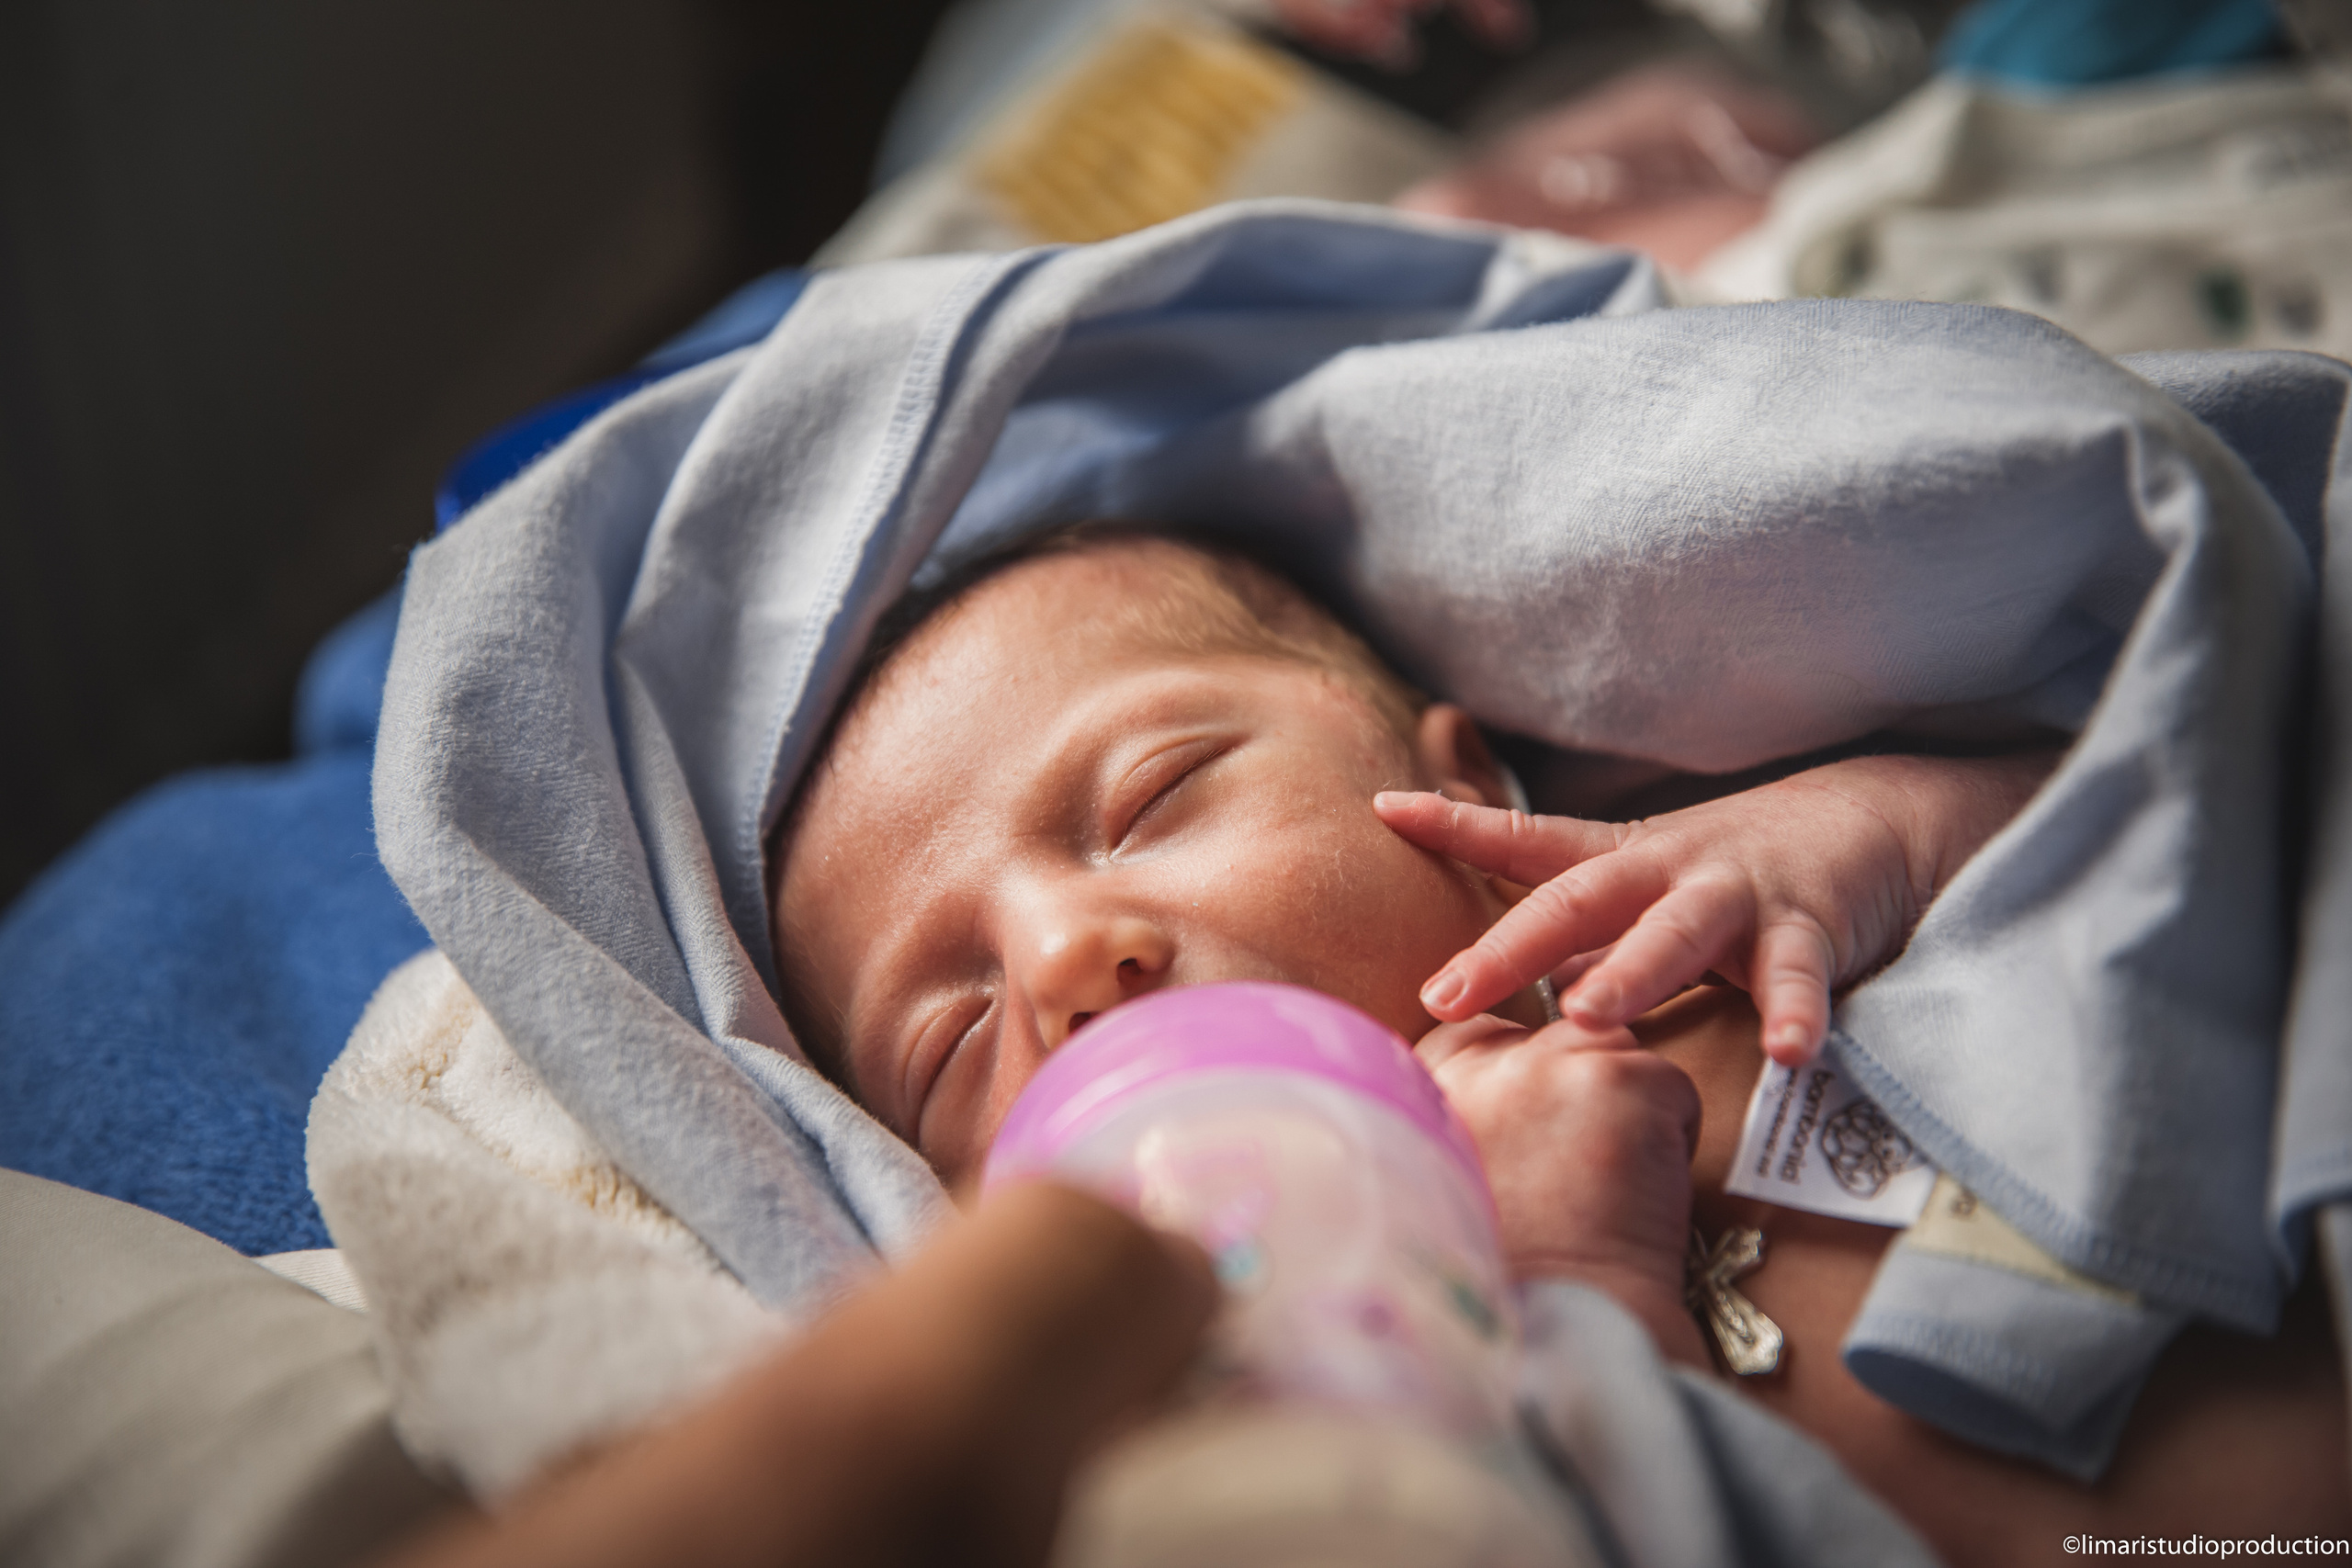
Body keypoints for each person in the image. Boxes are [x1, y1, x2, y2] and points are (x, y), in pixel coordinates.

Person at [771, 524, 2350, 1565]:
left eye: (1151, 801)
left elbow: (2211, 814)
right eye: (951, 1037)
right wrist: (1582, 1302)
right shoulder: (1303, 1403)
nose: (1061, 961)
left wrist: (1882, 827)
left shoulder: (1717, 946)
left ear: (1472, 801)